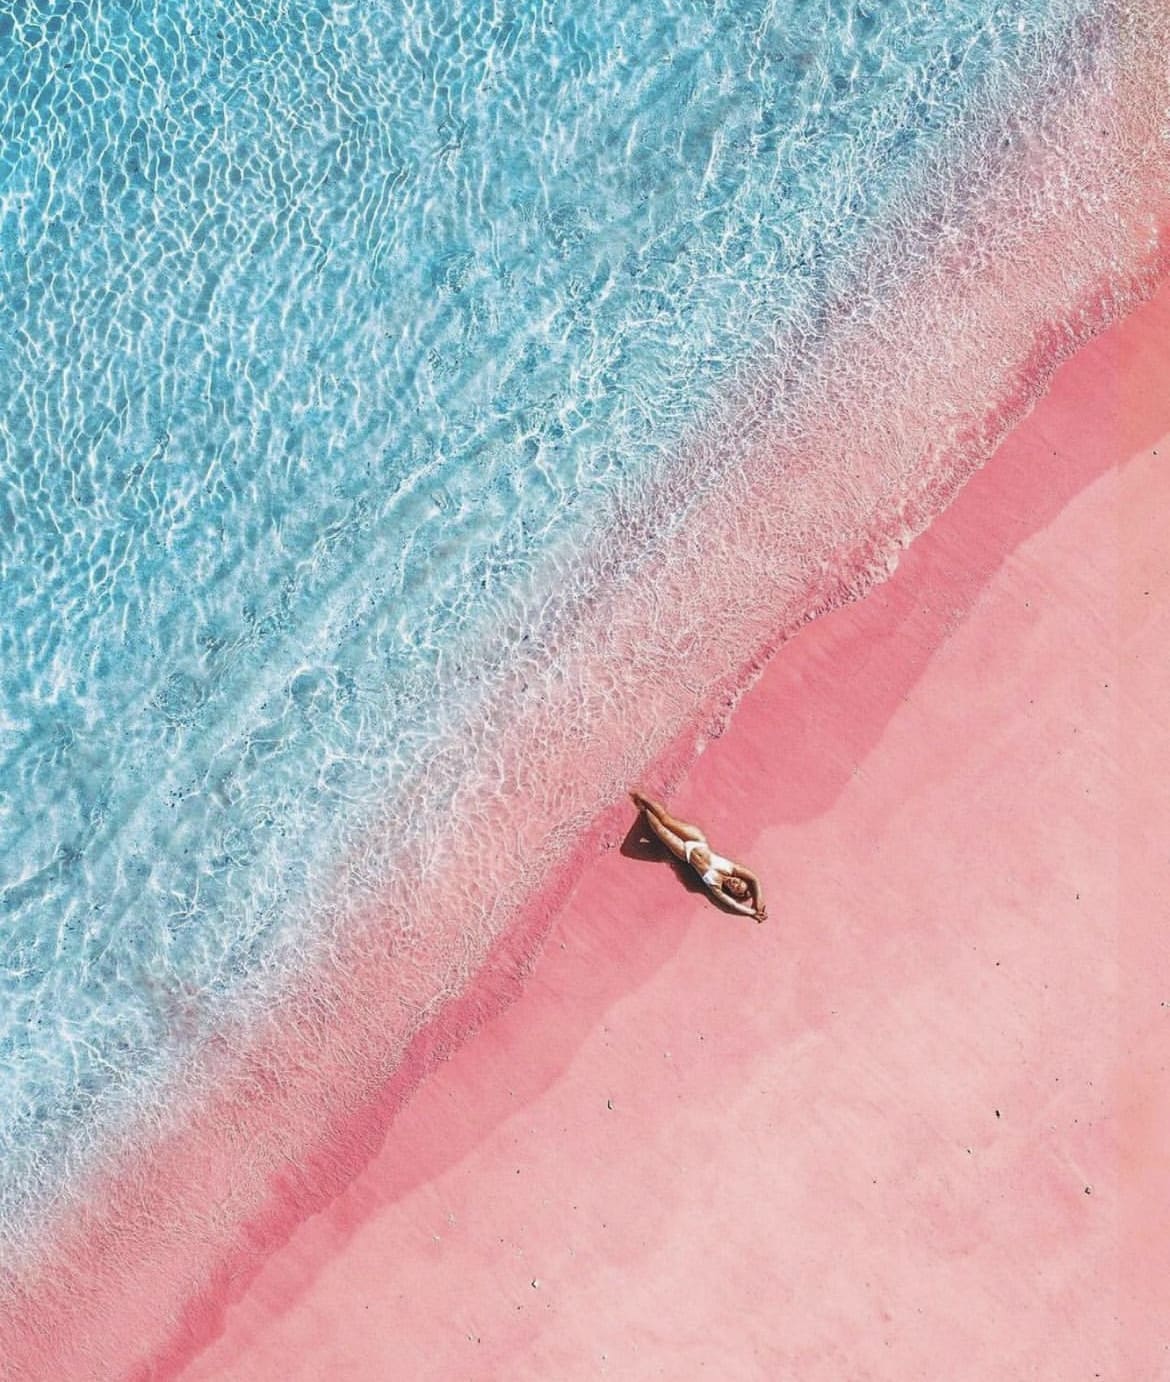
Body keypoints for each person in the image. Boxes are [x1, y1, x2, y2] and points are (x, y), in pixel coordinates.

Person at [629, 790, 767, 922]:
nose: (734, 883)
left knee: (661, 830)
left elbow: (733, 905)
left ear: (731, 892)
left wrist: (751, 913)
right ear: (739, 878)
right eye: (738, 882)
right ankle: (641, 796)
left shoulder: (716, 888)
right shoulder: (732, 868)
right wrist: (758, 903)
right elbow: (754, 879)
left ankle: (644, 809)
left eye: (735, 888)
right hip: (698, 840)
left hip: (685, 853)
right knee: (666, 821)